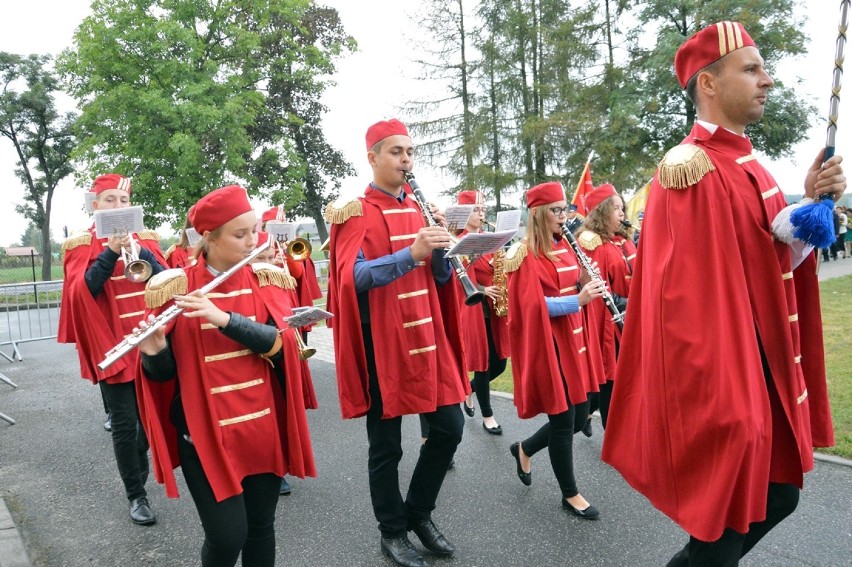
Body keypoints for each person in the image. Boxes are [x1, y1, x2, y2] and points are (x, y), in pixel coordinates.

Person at [601, 21, 843, 565]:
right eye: (751, 69)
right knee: (724, 530)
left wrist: (808, 208)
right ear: (708, 84)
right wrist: (729, 405)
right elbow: (687, 300)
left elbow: (765, 264)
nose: (768, 80)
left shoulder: (748, 164)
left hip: (761, 370)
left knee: (778, 495)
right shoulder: (687, 168)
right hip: (726, 383)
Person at [135, 185, 316, 567]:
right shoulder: (176, 288)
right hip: (204, 434)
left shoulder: (268, 279)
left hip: (261, 428)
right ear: (208, 238)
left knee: (261, 528)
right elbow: (166, 377)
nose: (254, 241)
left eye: (254, 230)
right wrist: (154, 351)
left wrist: (225, 319)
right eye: (241, 234)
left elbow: (283, 348)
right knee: (227, 536)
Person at [325, 118, 468, 567]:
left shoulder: (424, 208)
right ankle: (392, 532)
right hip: (380, 344)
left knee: (450, 427)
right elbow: (355, 278)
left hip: (427, 335)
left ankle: (417, 513)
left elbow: (440, 278)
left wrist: (445, 251)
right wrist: (412, 253)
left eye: (410, 152)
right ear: (372, 157)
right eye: (396, 152)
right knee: (387, 446)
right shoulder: (354, 212)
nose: (407, 160)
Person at [57, 173, 168, 526]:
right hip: (115, 345)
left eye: (123, 201)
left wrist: (142, 251)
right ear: (95, 205)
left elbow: (168, 279)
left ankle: (141, 461)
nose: (117, 207)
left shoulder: (146, 239)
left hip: (150, 340)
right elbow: (81, 294)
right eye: (109, 201)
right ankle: (137, 495)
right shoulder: (80, 244)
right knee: (124, 425)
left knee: (151, 422)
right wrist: (110, 252)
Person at [504, 181, 608, 520]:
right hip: (549, 347)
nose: (564, 216)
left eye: (566, 209)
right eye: (557, 210)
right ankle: (570, 494)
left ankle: (525, 448)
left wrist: (586, 282)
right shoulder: (522, 255)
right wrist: (578, 299)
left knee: (578, 417)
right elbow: (531, 306)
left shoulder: (565, 246)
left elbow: (571, 284)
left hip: (573, 342)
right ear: (538, 214)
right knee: (564, 420)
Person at [577, 183, 633, 431]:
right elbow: (597, 288)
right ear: (601, 212)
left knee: (619, 379)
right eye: (616, 208)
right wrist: (627, 304)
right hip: (609, 321)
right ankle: (614, 436)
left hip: (630, 316)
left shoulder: (622, 240)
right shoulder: (592, 242)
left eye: (623, 208)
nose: (622, 214)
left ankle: (589, 412)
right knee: (612, 379)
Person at [456, 191, 509, 435]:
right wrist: (483, 289)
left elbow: (498, 266)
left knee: (500, 364)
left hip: (496, 310)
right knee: (484, 364)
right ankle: (488, 415)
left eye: (482, 208)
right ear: (465, 212)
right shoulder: (459, 241)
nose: (481, 213)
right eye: (476, 209)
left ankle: (469, 390)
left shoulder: (490, 238)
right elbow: (460, 278)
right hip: (476, 309)